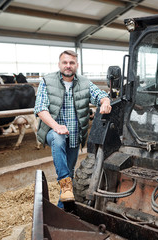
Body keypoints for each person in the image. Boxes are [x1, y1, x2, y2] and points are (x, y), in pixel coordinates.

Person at [34, 50, 111, 209]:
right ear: (59, 64)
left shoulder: (84, 82)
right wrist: (56, 126)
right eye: (65, 62)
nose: (68, 66)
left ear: (76, 65)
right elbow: (41, 108)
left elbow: (100, 95)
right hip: (52, 132)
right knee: (58, 138)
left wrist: (105, 102)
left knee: (70, 172)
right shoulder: (47, 81)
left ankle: (63, 209)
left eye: (71, 63)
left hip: (75, 136)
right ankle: (66, 184)